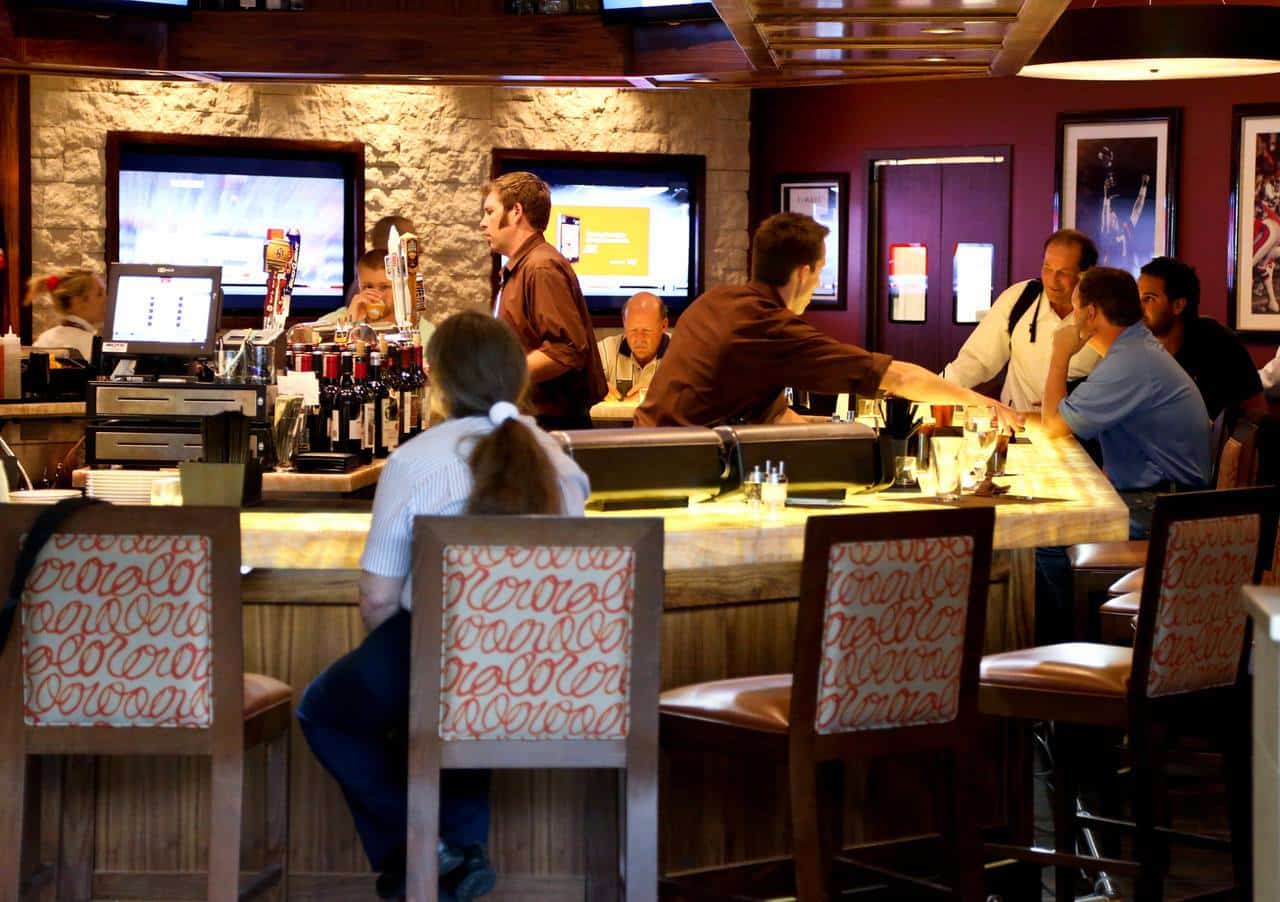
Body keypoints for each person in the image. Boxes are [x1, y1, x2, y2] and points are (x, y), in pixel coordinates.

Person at [296, 311, 591, 902]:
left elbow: (378, 597)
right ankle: (454, 859)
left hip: (441, 652)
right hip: (553, 672)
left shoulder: (417, 459)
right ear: (517, 379)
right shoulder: (563, 465)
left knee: (331, 711)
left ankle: (424, 852)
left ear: (437, 381)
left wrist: (400, 674)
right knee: (460, 706)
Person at [634, 212, 1023, 430]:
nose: (818, 282)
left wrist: (840, 431)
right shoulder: (770, 327)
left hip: (646, 454)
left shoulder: (715, 302)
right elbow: (896, 377)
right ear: (803, 273)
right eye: (820, 272)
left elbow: (761, 411)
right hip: (679, 472)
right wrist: (980, 402)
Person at [1036, 266, 1211, 642]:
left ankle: (1066, 645)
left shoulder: (1129, 362)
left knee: (1047, 536)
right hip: (1164, 496)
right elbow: (1063, 418)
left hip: (1163, 507)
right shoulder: (1134, 349)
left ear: (1090, 314)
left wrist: (1059, 352)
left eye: (1075, 308)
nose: (1071, 317)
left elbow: (1052, 424)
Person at [481, 171, 608, 430]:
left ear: (516, 211)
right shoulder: (525, 266)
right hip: (531, 421)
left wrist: (502, 374)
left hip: (549, 426)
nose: (483, 223)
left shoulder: (540, 267)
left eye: (490, 212)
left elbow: (566, 349)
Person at [942, 229, 1102, 410]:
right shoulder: (1018, 298)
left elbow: (1112, 383)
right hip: (1017, 423)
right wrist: (935, 389)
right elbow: (977, 360)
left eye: (1063, 272)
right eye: (1047, 268)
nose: (1052, 281)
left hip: (1071, 429)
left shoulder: (1102, 316)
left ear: (1085, 274)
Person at [1137, 256, 1265, 425]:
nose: (1138, 307)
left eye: (1149, 299)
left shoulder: (1219, 344)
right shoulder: (1135, 347)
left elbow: (1256, 411)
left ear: (1178, 305)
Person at [597, 291, 669, 401]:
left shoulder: (681, 352)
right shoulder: (607, 349)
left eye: (647, 331)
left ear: (663, 326)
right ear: (624, 324)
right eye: (633, 330)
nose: (639, 339)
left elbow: (694, 396)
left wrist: (657, 393)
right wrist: (596, 389)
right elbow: (575, 382)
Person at [28, 269, 105, 361]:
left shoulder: (45, 338)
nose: (106, 299)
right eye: (100, 294)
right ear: (79, 301)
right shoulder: (91, 345)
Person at [320, 248, 396, 326]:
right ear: (359, 286)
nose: (375, 295)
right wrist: (350, 322)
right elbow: (311, 333)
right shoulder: (342, 316)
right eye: (368, 287)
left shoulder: (406, 320)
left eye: (384, 287)